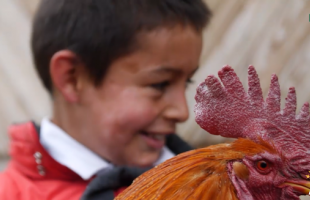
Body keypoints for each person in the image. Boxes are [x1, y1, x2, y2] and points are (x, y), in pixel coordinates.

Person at [0, 0, 212, 199]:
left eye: (186, 83)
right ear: (72, 78)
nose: (182, 112)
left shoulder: (208, 184)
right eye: (160, 84)